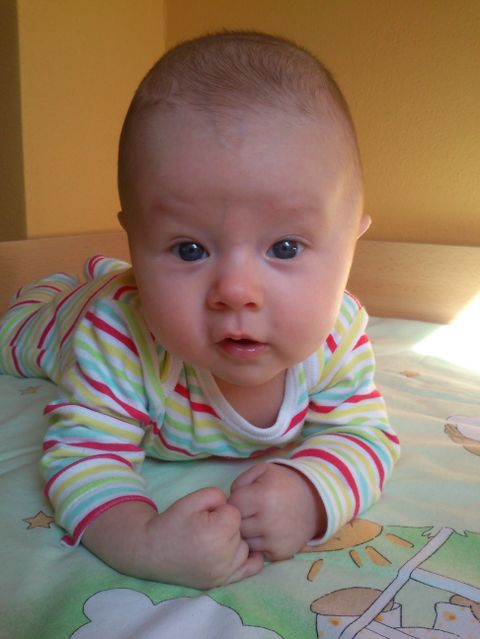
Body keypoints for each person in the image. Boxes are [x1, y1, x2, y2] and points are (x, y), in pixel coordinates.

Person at [0, 31, 400, 589]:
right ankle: (64, 290)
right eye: (189, 249)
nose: (235, 291)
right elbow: (83, 457)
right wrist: (142, 540)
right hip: (69, 320)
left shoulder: (339, 334)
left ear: (352, 242)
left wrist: (312, 494)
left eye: (285, 247)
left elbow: (364, 435)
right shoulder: (118, 339)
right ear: (136, 240)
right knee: (15, 338)